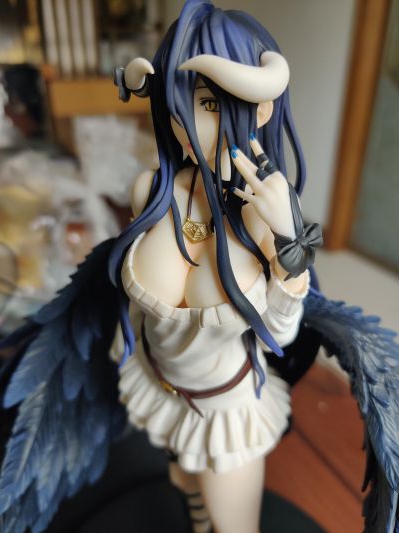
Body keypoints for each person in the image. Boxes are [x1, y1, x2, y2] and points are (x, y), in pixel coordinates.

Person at [110, 1, 321, 531]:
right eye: (177, 100)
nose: (184, 120)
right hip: (162, 386)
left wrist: (287, 242)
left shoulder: (264, 215)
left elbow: (280, 332)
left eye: (205, 102)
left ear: (260, 109)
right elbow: (137, 307)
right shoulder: (151, 191)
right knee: (185, 488)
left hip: (224, 411)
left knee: (233, 525)